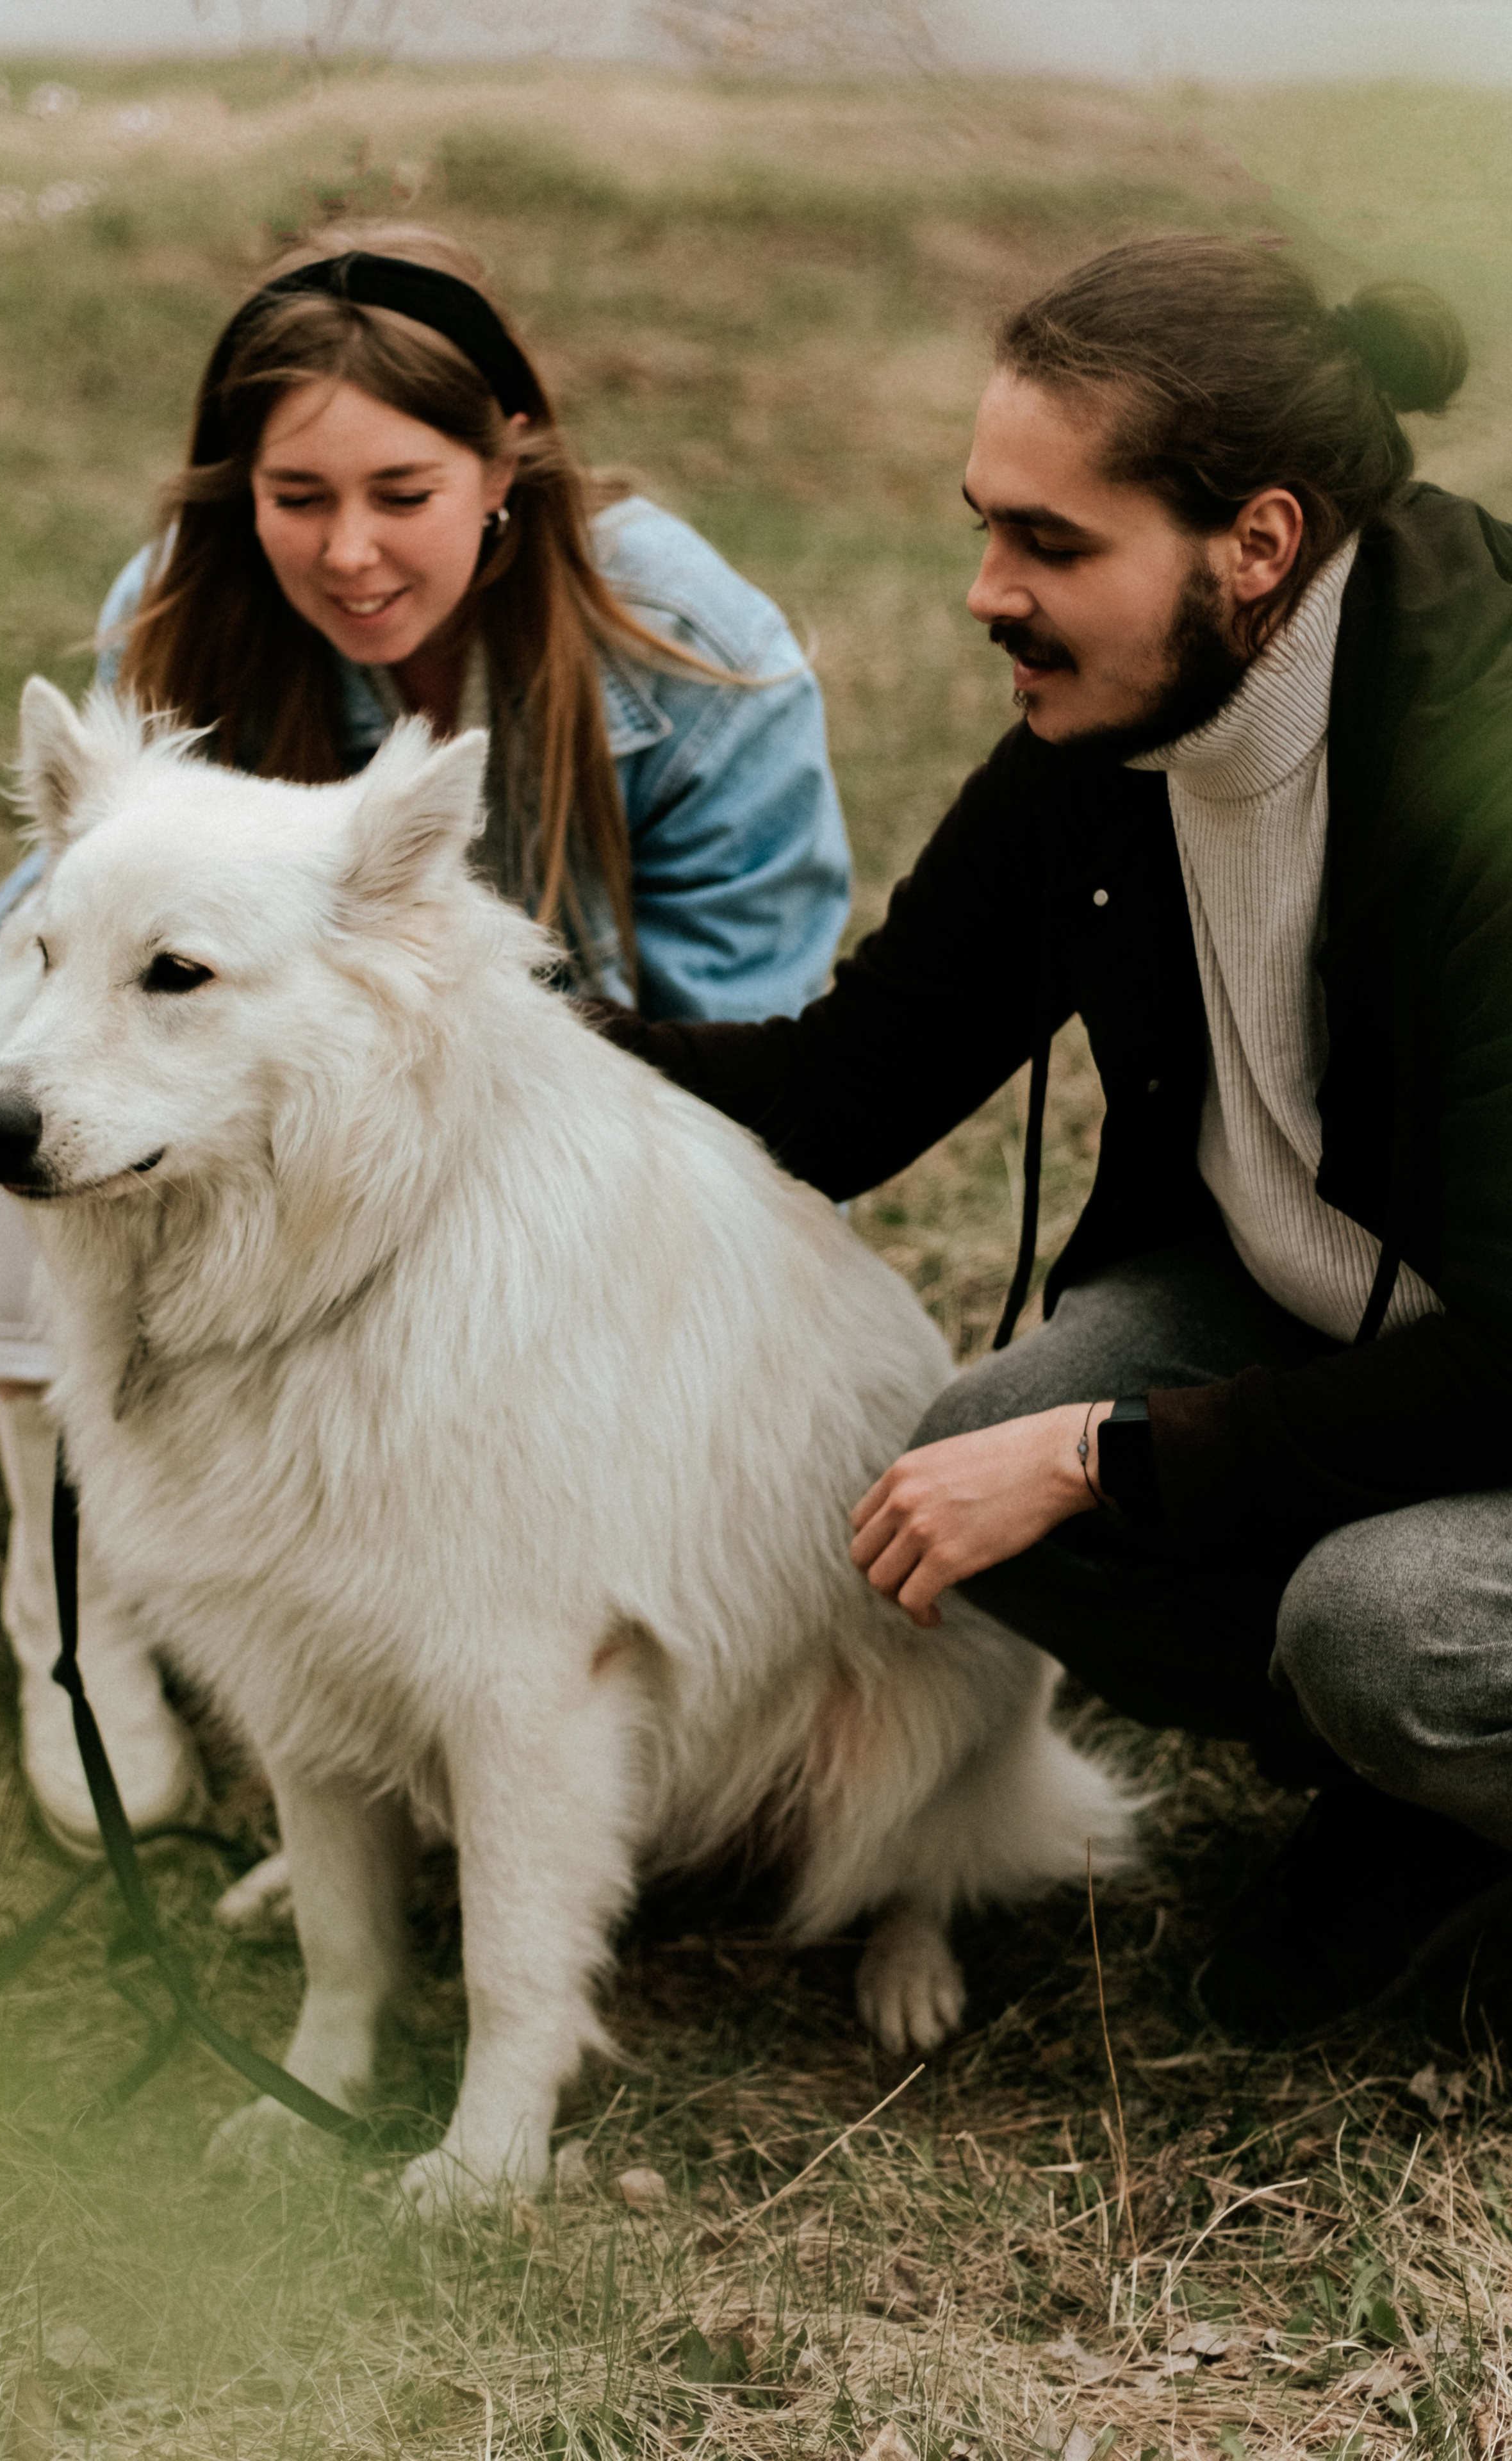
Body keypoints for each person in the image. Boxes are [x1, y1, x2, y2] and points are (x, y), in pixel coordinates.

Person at [597, 235, 1512, 2046]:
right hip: (1338, 1323)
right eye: (982, 526)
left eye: (1052, 543)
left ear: (1257, 544)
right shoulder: (1109, 736)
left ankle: (1433, 1763)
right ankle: (1416, 1798)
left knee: (1381, 1627)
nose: (986, 592)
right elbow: (851, 1091)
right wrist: (492, 1040)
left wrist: (1112, 1454)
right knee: (963, 1464)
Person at [0, 222, 851, 1858]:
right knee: (19, 1074)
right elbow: (91, 917)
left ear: (506, 470)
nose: (348, 554)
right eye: (298, 500)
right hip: (201, 1035)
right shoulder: (180, 604)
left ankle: (427, 1618)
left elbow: (745, 1033)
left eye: (401, 496)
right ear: (237, 495)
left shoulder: (697, 653)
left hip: (561, 1104)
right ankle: (74, 1607)